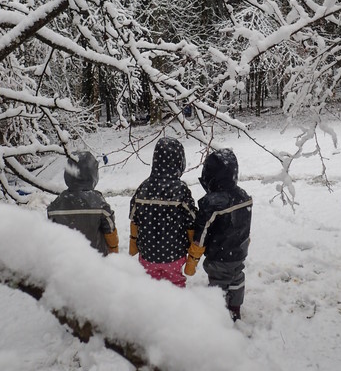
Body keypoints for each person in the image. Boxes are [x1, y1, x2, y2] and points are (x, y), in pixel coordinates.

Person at [184, 149, 252, 321]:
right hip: (239, 251)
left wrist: (193, 258)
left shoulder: (212, 203)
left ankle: (220, 314)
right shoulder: (243, 196)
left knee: (218, 283)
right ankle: (235, 307)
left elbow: (203, 232)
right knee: (237, 277)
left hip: (219, 255)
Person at [129, 137, 196, 288]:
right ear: (180, 162)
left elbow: (134, 217)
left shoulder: (143, 187)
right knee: (175, 283)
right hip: (174, 253)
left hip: (147, 253)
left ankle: (153, 307)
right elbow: (191, 219)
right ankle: (174, 307)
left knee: (151, 285)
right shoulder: (181, 189)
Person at [47, 151, 119, 256]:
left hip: (66, 258)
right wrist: (114, 249)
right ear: (92, 174)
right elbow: (110, 229)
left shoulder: (56, 204)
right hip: (97, 258)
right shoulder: (98, 202)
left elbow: (50, 233)